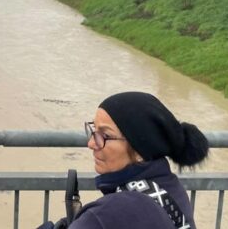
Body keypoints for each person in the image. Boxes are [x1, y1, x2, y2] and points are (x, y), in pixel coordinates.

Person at [65, 92, 209, 229]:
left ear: (140, 150)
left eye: (105, 135)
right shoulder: (171, 190)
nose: (91, 143)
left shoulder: (105, 215)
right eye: (94, 130)